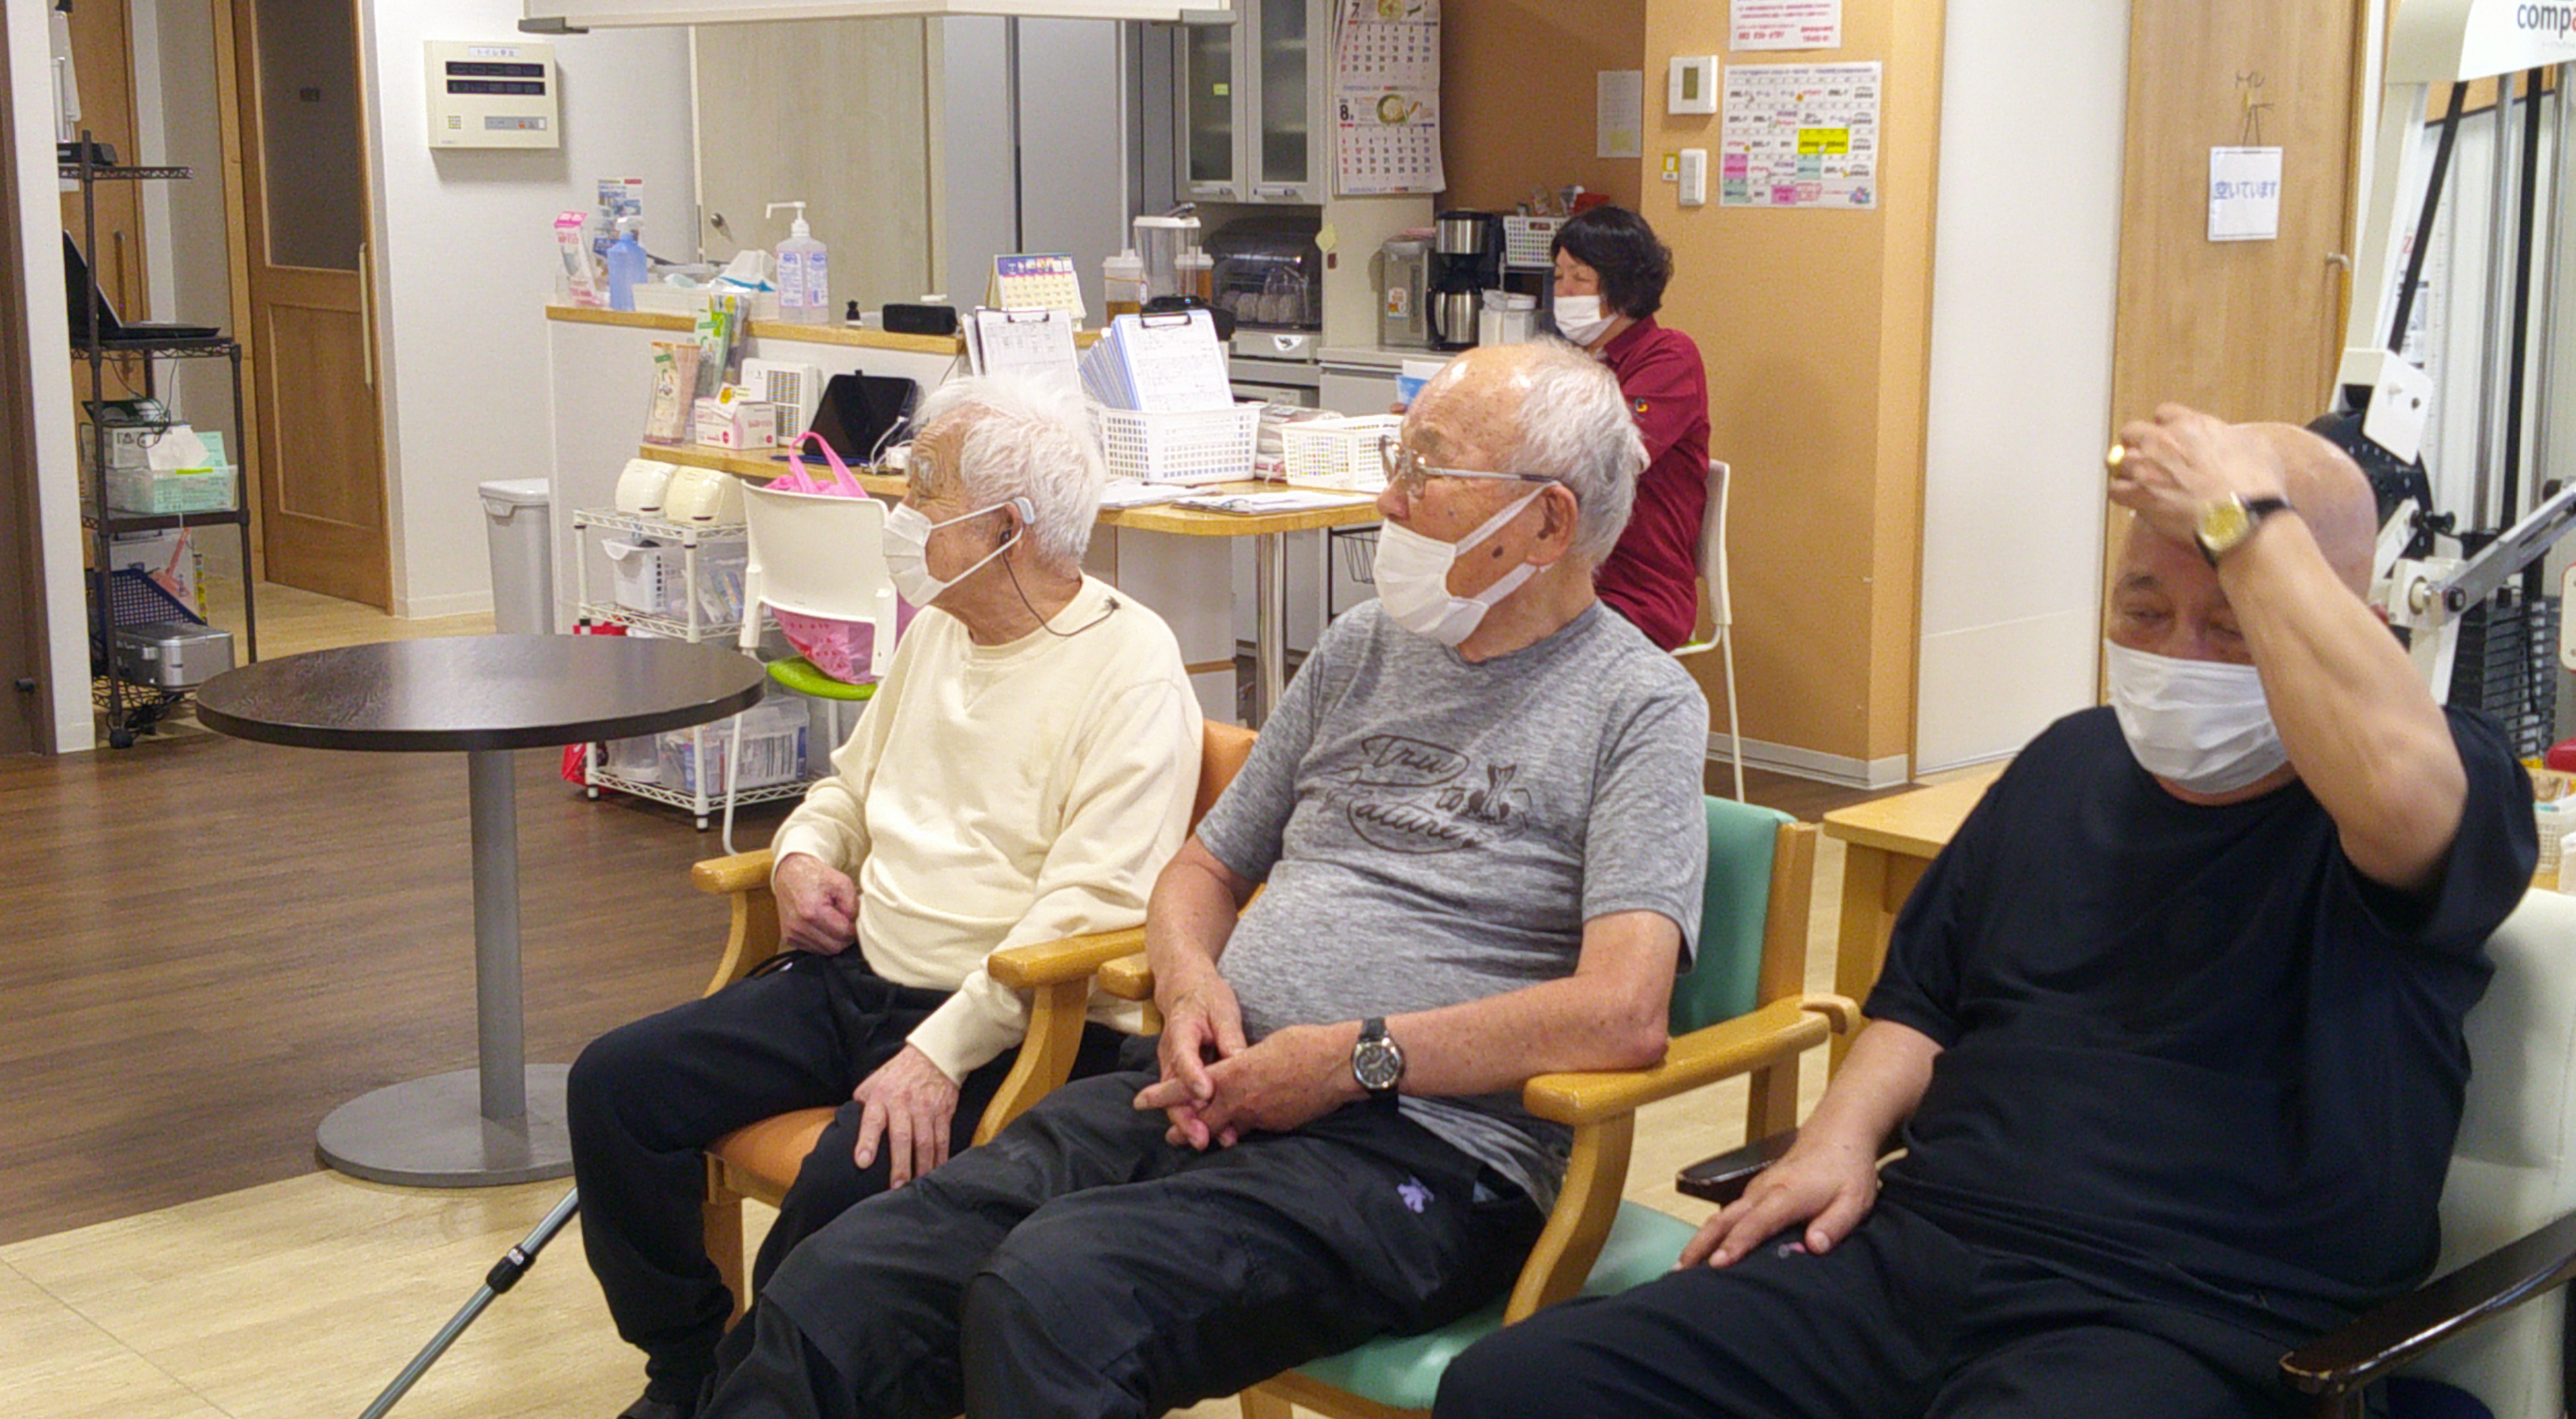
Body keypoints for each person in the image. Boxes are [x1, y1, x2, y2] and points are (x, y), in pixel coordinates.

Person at [1435, 406, 2537, 1419]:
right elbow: (1923, 1003)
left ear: (2342, 622)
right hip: (1922, 1251)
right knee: (1522, 1388)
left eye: (2234, 624)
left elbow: (2399, 791)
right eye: (2144, 612)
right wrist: (1837, 1138)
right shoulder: (2069, 764)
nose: (2177, 655)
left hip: (2195, 1313)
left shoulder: (2434, 791)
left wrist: (2245, 517)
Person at [691, 340, 1713, 1419]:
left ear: (1547, 523)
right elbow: (1204, 869)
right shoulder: (1363, 651)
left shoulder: (1637, 706)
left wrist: (1347, 1061)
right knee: (849, 1276)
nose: (1388, 499)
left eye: (1426, 470)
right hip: (1210, 1086)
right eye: (1396, 460)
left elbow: (1623, 1012)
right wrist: (1186, 991)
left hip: (1424, 1151)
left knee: (1049, 1297)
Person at [565, 374, 1204, 1419]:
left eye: (925, 491)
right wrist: (799, 859)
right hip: (858, 974)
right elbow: (846, 791)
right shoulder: (941, 627)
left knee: (835, 1204)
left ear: (1008, 527)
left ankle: (746, 1401)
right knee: (616, 1088)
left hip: (1003, 1026)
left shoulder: (1131, 670)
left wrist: (939, 1055)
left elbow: (1088, 909)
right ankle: (687, 1373)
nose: (900, 513)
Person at [1549, 204, 1712, 650]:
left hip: (1636, 590)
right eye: (1559, 276)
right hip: (1558, 577)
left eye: (1580, 278)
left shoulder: (1669, 355)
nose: (1564, 291)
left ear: (1623, 284)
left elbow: (1608, 459)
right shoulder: (1566, 364)